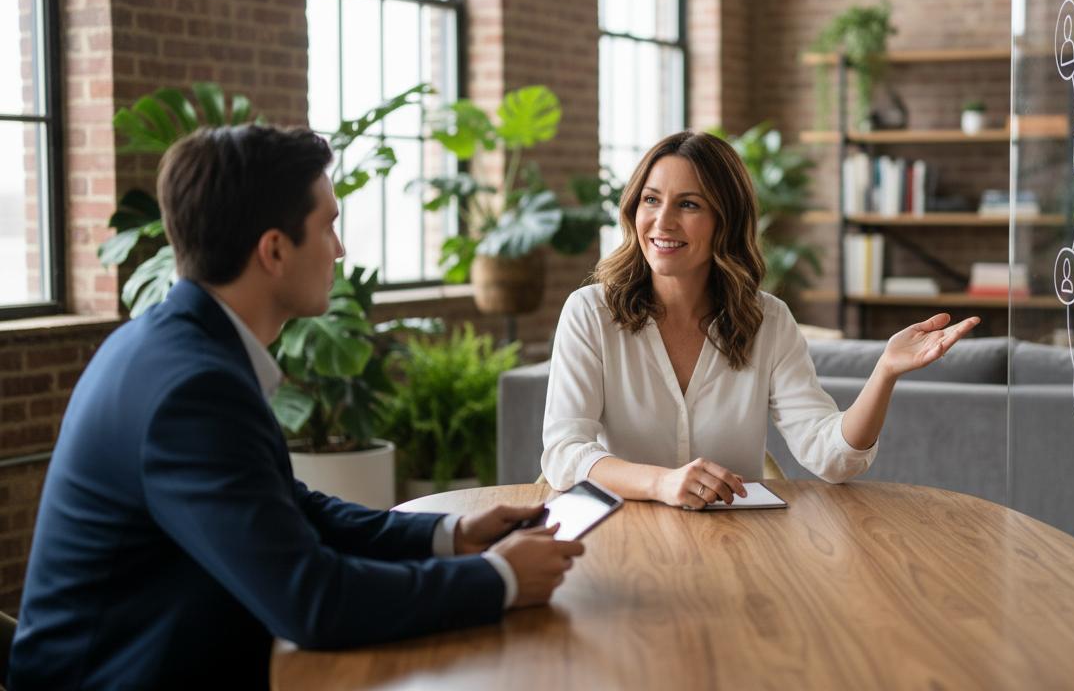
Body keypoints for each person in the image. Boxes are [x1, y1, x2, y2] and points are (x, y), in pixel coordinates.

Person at [8, 125, 584, 689]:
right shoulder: (191, 388)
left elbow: (288, 508)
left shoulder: (179, 346)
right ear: (275, 250)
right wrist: (499, 578)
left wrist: (451, 535)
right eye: (328, 225)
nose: (340, 248)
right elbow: (311, 602)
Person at [541, 131, 979, 507]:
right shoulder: (591, 312)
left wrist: (884, 372)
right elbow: (565, 452)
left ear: (724, 222)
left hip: (736, 542)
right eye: (651, 200)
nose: (663, 221)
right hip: (621, 534)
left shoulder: (768, 320)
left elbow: (832, 458)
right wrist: (661, 483)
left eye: (689, 205)